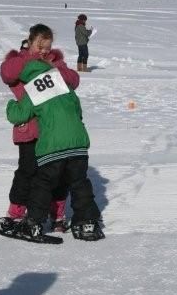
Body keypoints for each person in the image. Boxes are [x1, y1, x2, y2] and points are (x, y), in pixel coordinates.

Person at [6, 58, 104, 242]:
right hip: (78, 144)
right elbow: (77, 107)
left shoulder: (34, 87)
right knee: (79, 183)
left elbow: (19, 115)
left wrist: (11, 104)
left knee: (42, 184)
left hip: (52, 147)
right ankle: (87, 222)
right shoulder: (61, 81)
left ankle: (33, 222)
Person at [0, 24, 79, 231]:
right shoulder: (18, 61)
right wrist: (33, 61)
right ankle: (16, 213)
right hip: (29, 127)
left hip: (53, 130)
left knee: (58, 174)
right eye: (39, 46)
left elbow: (73, 80)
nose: (43, 51)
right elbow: (7, 74)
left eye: (47, 47)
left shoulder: (55, 62)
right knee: (28, 170)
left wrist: (53, 68)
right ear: (30, 41)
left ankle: (57, 214)